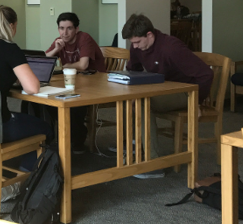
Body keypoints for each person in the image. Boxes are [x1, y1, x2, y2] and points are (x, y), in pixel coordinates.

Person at [122, 13, 213, 178]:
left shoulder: (171, 48)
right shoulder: (137, 46)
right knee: (127, 99)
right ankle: (137, 146)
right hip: (164, 89)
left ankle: (154, 163)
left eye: (137, 42)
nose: (134, 47)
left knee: (143, 102)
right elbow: (133, 70)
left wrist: (196, 101)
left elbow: (206, 75)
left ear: (149, 35)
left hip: (185, 91)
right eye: (132, 43)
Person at [0, 5, 52, 171]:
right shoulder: (10, 49)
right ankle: (23, 178)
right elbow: (33, 88)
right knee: (46, 129)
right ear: (12, 25)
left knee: (27, 121)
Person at [45, 12, 106, 153]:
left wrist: (65, 66)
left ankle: (77, 139)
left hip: (95, 82)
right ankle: (67, 136)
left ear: (76, 29)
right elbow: (44, 58)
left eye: (69, 28)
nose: (64, 33)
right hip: (73, 81)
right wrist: (56, 49)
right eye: (61, 28)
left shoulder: (84, 38)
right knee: (50, 101)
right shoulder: (59, 41)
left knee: (74, 103)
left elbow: (84, 65)